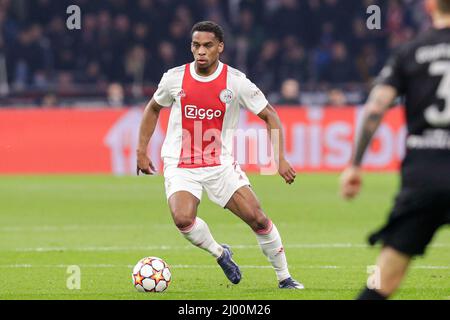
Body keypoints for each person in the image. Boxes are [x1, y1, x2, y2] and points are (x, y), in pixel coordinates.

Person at [136, 21, 303, 289]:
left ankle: (285, 278)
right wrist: (141, 150)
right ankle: (220, 253)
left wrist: (279, 158)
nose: (200, 51)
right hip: (181, 163)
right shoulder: (174, 78)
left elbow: (269, 114)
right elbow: (153, 108)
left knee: (257, 218)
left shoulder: (235, 82)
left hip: (219, 163)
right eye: (195, 45)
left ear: (220, 47)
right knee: (182, 218)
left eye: (207, 45)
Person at [340, 0, 450, 300]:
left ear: (429, 6)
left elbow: (375, 109)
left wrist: (354, 165)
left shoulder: (410, 51)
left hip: (422, 178)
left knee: (383, 279)